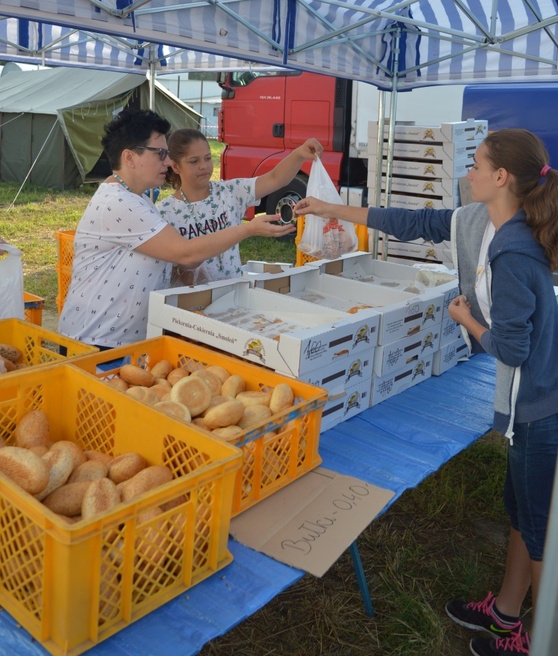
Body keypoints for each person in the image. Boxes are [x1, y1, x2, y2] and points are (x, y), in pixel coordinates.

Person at [294, 128, 558, 656]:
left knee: (539, 527)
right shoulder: (487, 222)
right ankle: (507, 615)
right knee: (521, 512)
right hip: (527, 399)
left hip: (539, 404)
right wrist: (329, 207)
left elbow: (511, 348)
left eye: (477, 165)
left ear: (501, 177)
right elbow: (413, 223)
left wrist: (463, 316)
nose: (468, 173)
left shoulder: (514, 252)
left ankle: (544, 638)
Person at [58, 108, 297, 349]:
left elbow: (184, 260)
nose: (167, 162)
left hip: (120, 341)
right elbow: (185, 253)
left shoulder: (137, 199)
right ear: (130, 158)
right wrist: (247, 230)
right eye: (160, 154)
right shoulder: (120, 203)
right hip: (94, 342)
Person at [157, 128, 323, 285]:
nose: (203, 166)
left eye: (208, 158)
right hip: (192, 301)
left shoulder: (230, 191)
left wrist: (299, 154)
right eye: (194, 161)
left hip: (235, 292)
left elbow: (275, 178)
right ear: (176, 166)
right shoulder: (163, 212)